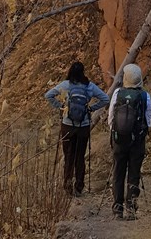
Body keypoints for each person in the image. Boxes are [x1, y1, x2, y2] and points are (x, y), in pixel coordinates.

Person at [45, 61, 109, 197]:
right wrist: (91, 108)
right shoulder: (89, 86)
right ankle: (79, 187)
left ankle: (67, 187)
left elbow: (48, 95)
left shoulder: (66, 85)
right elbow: (105, 99)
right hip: (83, 126)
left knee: (68, 156)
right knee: (80, 157)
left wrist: (61, 107)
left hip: (67, 125)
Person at [108, 63, 151, 220]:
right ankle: (131, 210)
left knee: (118, 173)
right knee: (133, 174)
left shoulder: (117, 93)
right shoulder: (144, 96)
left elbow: (111, 118)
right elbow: (148, 121)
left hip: (119, 141)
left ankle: (117, 210)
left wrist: (115, 135)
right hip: (137, 143)